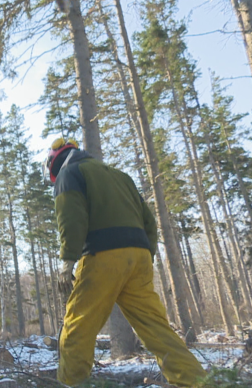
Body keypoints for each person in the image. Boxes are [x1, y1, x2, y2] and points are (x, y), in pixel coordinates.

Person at [47, 137, 206, 387]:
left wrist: (67, 260)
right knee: (156, 329)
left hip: (103, 256)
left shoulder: (70, 173)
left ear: (54, 162)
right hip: (139, 256)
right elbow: (149, 222)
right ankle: (198, 383)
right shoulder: (121, 176)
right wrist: (145, 257)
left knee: (78, 328)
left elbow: (71, 218)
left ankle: (72, 383)